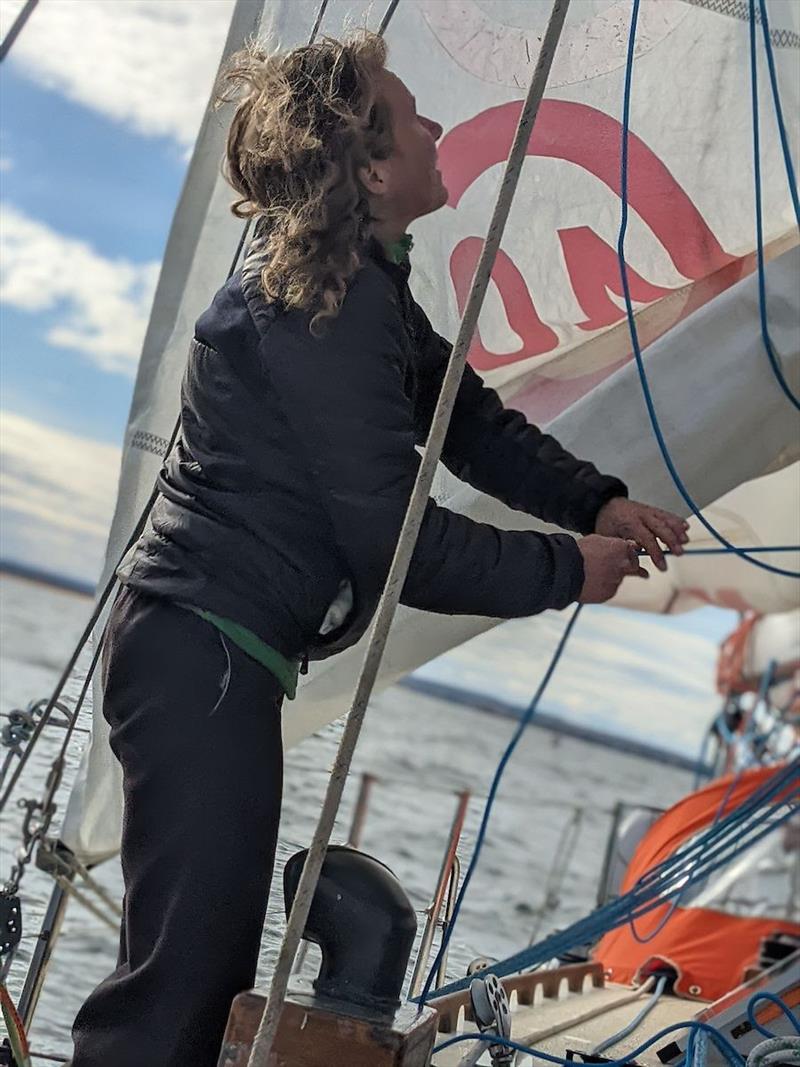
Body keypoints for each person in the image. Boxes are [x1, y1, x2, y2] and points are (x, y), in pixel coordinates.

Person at [71, 31, 688, 1067]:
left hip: (210, 652)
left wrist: (595, 500)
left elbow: (469, 420)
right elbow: (395, 544)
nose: (439, 127)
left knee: (188, 972)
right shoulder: (324, 310)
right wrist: (561, 570)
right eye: (413, 119)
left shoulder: (358, 292)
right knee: (180, 987)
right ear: (365, 168)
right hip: (200, 651)